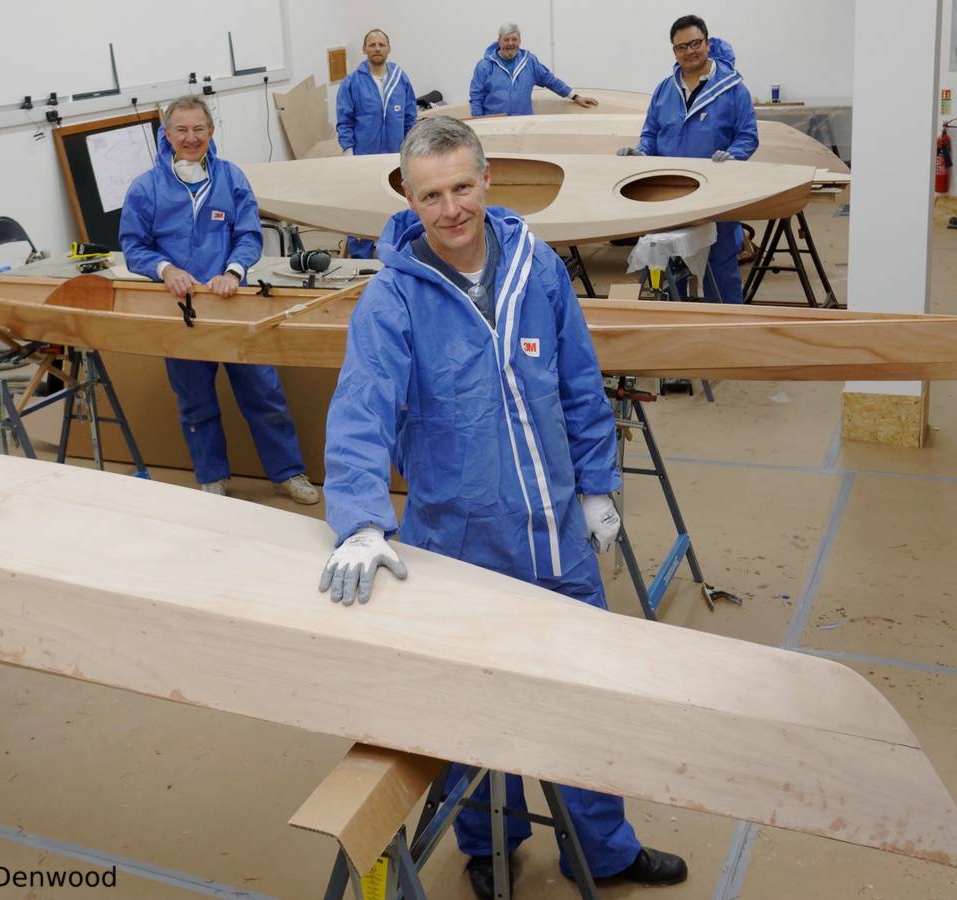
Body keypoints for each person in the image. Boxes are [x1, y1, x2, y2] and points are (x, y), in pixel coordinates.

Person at [317, 117, 687, 899]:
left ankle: (605, 847)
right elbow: (361, 414)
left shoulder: (539, 270)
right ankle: (490, 842)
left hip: (555, 538)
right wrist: (358, 521)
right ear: (408, 199)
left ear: (486, 181)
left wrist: (595, 488)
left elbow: (581, 385)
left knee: (583, 697)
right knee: (472, 714)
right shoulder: (391, 300)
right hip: (457, 545)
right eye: (430, 195)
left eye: (460, 187)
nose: (450, 209)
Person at [120, 96, 318, 505]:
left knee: (264, 395)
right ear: (167, 134)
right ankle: (212, 478)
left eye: (199, 129)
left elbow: (248, 235)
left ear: (211, 132)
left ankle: (288, 473)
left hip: (233, 305)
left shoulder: (231, 179)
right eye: (181, 130)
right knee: (195, 402)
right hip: (182, 314)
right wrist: (165, 270)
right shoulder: (146, 188)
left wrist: (233, 272)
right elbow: (133, 246)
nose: (191, 138)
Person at [619, 14, 758, 303]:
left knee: (719, 267)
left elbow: (748, 135)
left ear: (707, 44)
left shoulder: (733, 89)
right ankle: (673, 326)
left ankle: (725, 328)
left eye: (695, 43)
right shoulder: (664, 90)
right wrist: (641, 152)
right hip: (670, 194)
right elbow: (651, 133)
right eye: (681, 47)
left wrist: (734, 155)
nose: (689, 51)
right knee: (667, 265)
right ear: (674, 51)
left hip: (717, 193)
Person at [337, 28, 419, 259]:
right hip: (363, 158)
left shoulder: (400, 78)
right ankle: (361, 257)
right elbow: (344, 120)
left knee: (397, 205)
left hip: (395, 157)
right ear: (364, 49)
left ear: (388, 49)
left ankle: (397, 254)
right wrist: (348, 150)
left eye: (381, 45)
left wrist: (410, 148)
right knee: (361, 207)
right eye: (372, 45)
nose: (376, 49)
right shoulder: (352, 82)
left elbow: (410, 116)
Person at [469, 23, 599, 117]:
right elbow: (476, 97)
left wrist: (575, 96)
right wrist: (478, 122)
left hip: (523, 123)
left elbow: (550, 80)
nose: (510, 43)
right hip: (494, 125)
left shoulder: (530, 62)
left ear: (520, 41)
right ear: (499, 41)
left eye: (514, 39)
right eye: (506, 39)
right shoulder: (484, 66)